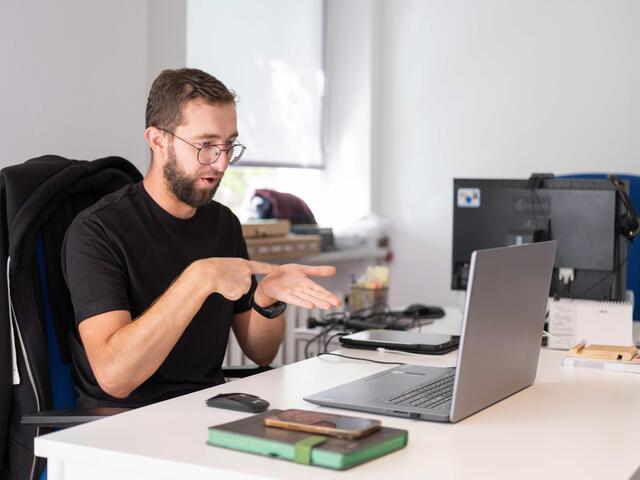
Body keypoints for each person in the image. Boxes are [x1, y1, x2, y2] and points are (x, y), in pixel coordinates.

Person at [62, 68, 341, 408]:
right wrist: (198, 279)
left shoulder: (223, 223)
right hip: (122, 423)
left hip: (204, 410)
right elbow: (115, 378)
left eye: (228, 145)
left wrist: (266, 299)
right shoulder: (97, 231)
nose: (221, 163)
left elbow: (262, 352)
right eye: (205, 145)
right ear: (157, 140)